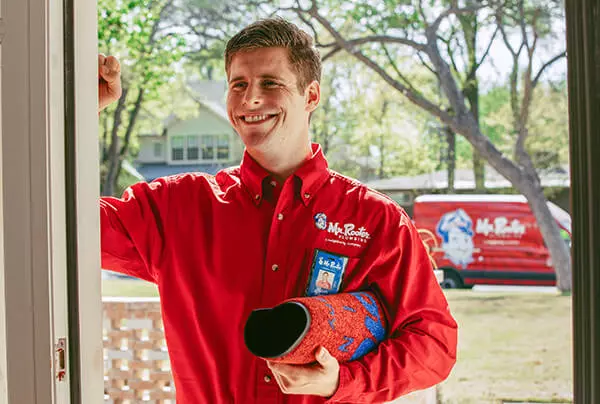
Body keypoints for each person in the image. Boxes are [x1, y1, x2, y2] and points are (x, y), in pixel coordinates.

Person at [98, 17, 457, 404]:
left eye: (271, 83)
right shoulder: (176, 207)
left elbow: (434, 345)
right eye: (239, 84)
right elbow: (59, 224)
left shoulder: (376, 221)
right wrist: (79, 114)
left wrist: (345, 380)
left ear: (311, 96)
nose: (250, 98)